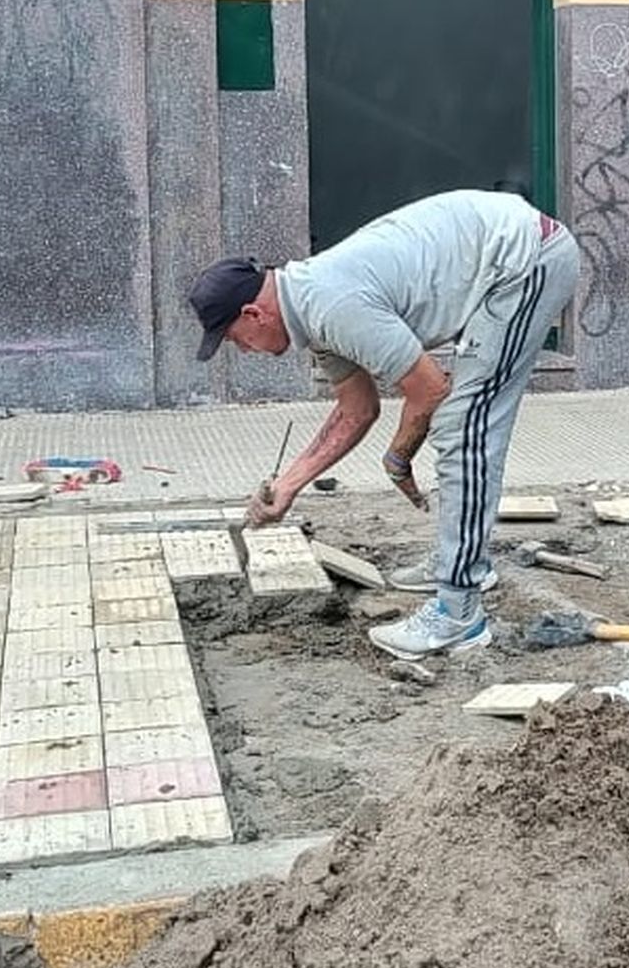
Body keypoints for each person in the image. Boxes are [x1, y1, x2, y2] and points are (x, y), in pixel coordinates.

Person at [188, 189, 579, 659]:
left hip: (525, 261)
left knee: (464, 427)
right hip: (498, 259)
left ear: (253, 314)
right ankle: (458, 563)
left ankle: (459, 614)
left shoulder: (331, 306)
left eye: (234, 339)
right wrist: (288, 485)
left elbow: (430, 389)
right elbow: (356, 410)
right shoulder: (309, 316)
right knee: (459, 423)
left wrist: (398, 456)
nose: (243, 350)